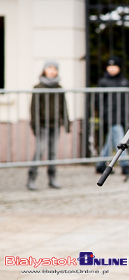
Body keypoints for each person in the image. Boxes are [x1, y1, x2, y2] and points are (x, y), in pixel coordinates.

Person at [29, 60, 70, 190]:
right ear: (44, 70)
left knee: (53, 152)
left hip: (55, 124)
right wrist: (35, 125)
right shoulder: (38, 87)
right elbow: (34, 108)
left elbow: (64, 106)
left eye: (54, 68)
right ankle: (31, 177)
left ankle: (52, 178)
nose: (52, 71)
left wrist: (67, 122)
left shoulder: (59, 88)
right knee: (40, 151)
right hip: (42, 125)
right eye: (49, 68)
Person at [95, 55, 129, 176]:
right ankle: (125, 164)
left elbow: (128, 100)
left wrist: (128, 113)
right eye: (109, 66)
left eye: (114, 66)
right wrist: (102, 114)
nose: (111, 68)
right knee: (120, 139)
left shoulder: (124, 82)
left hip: (121, 116)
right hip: (109, 116)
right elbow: (98, 100)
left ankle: (101, 164)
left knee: (111, 139)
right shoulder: (103, 82)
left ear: (119, 67)